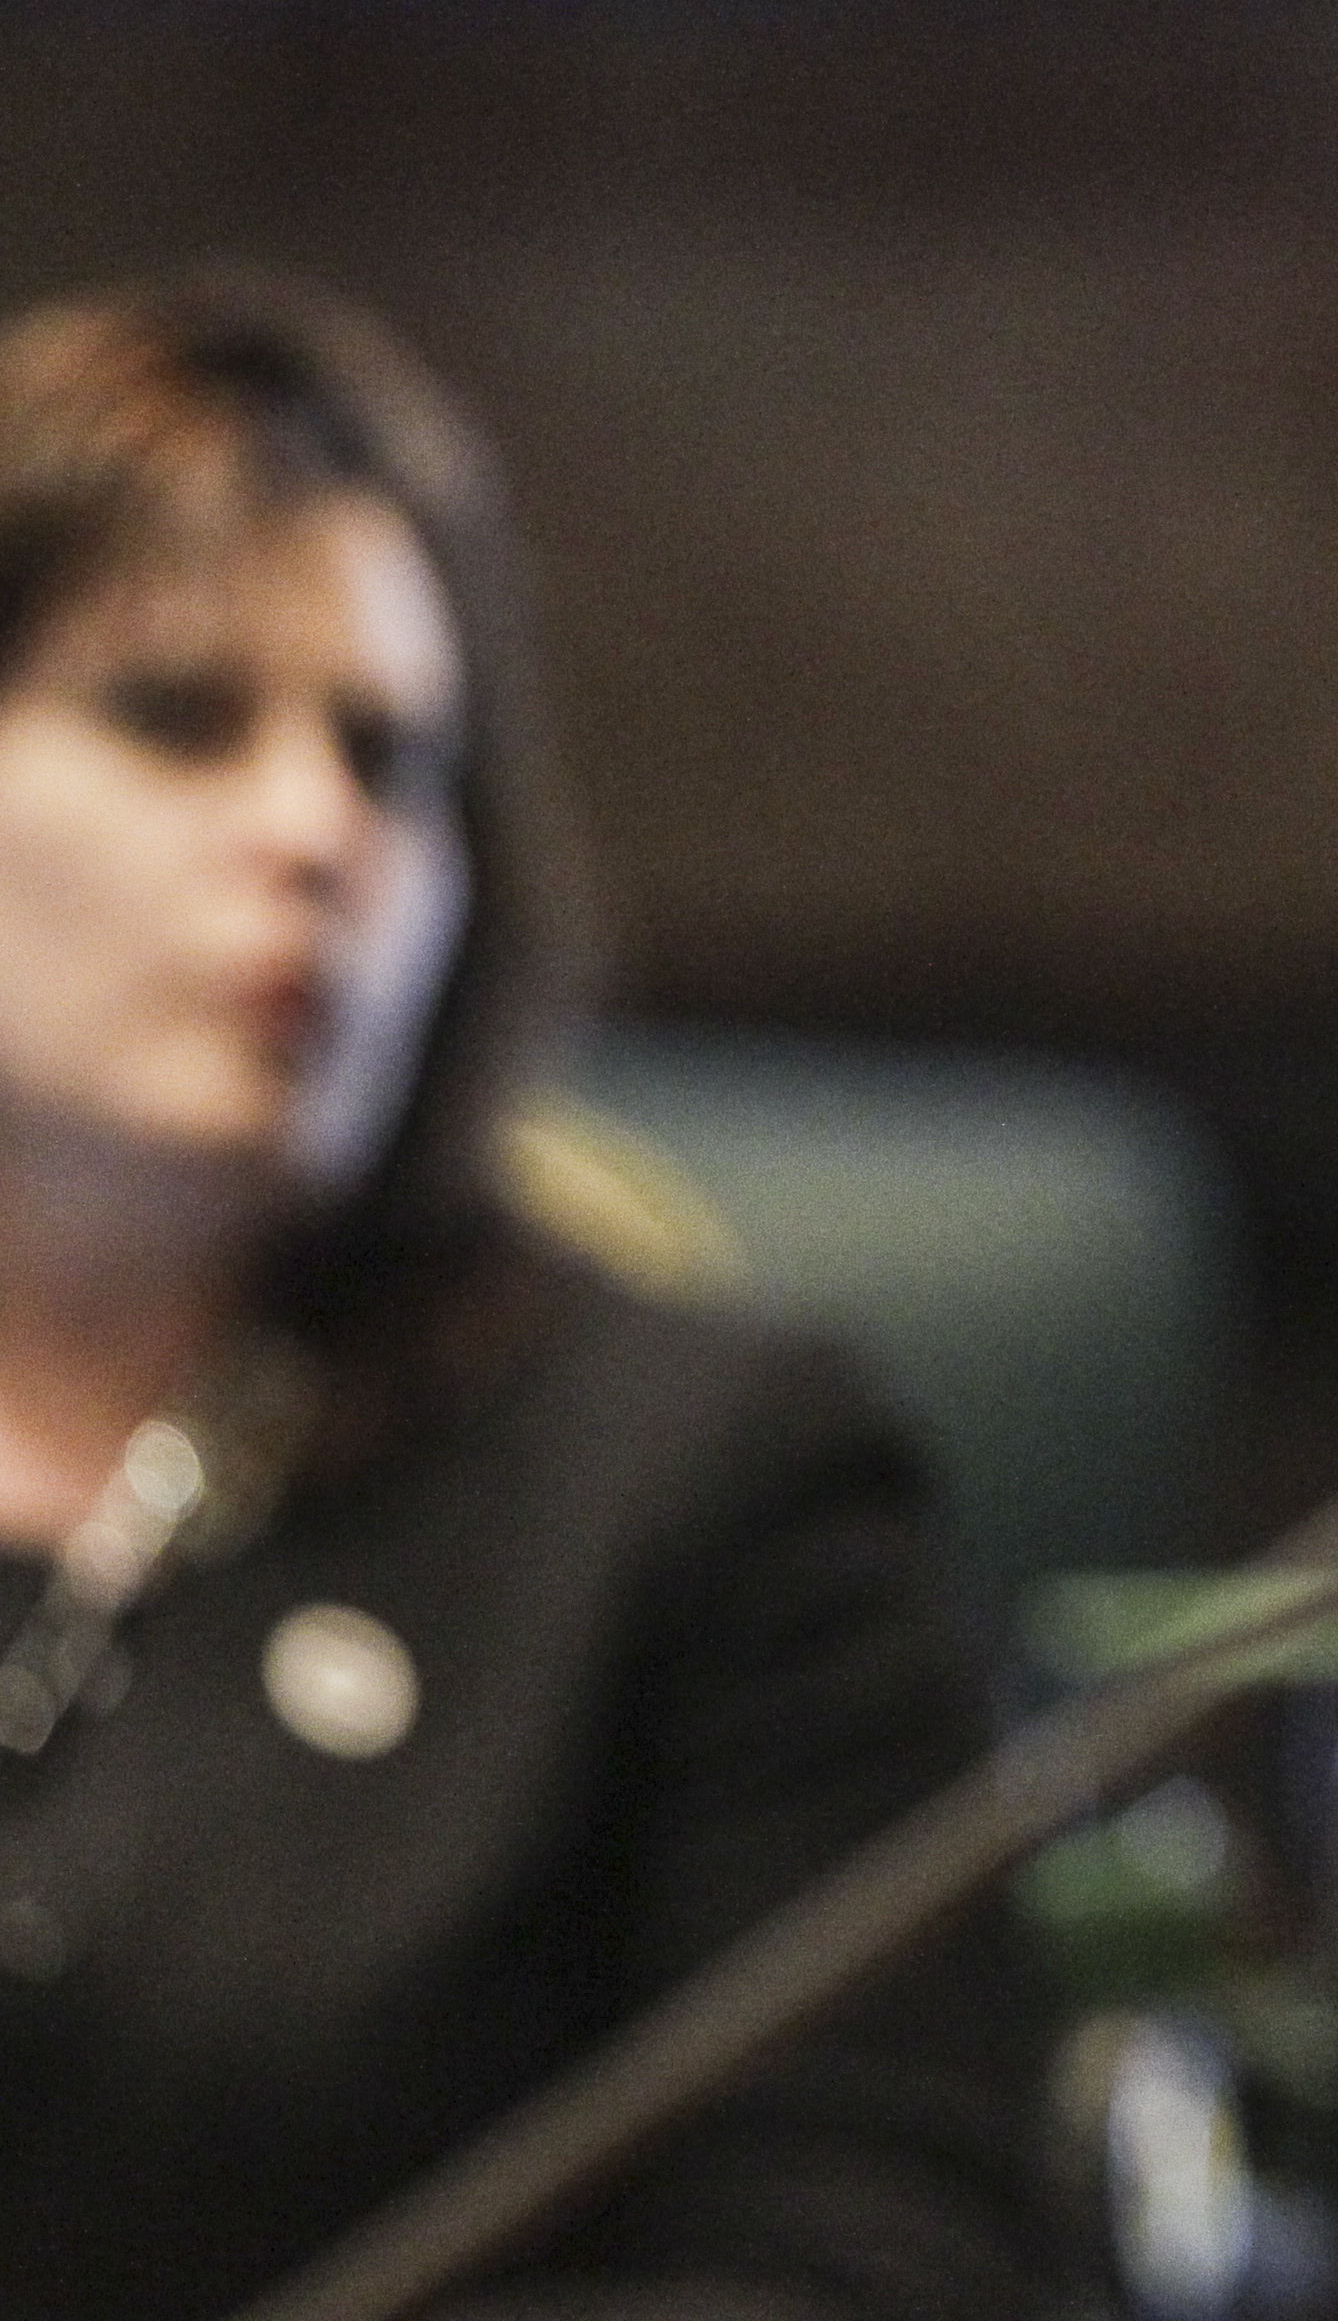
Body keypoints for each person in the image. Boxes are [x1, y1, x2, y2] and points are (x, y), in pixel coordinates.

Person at [0, 275, 1044, 2319]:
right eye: (182, 714)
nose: (316, 831)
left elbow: (875, 2272)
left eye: (392, 763)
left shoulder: (704, 1491)